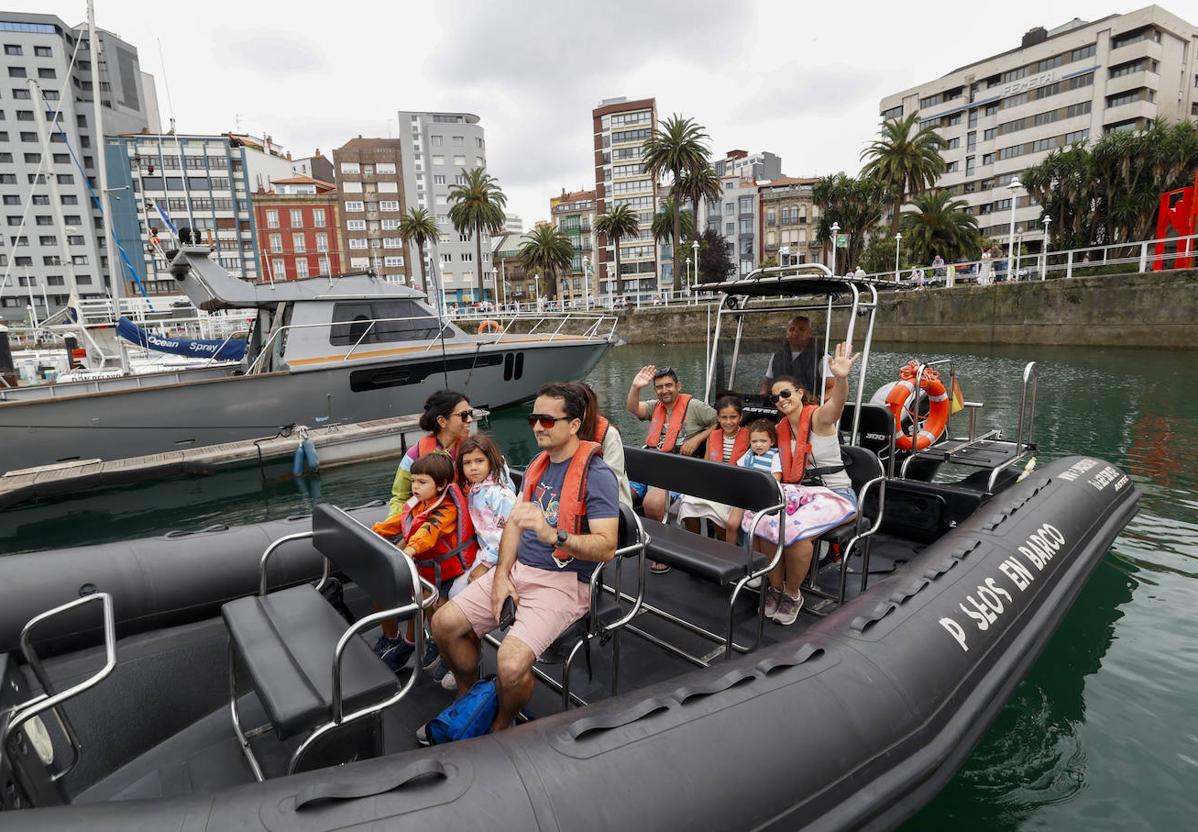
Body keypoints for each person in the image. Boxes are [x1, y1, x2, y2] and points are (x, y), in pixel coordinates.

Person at [431, 383, 620, 732]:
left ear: (574, 425)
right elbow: (514, 527)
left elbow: (607, 546)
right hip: (519, 569)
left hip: (563, 584)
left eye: (547, 420)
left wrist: (553, 535)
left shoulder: (598, 476)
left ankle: (502, 723)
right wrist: (502, 574)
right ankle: (471, 698)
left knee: (510, 664)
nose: (536, 427)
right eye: (534, 418)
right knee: (443, 624)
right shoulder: (537, 465)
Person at [741, 342, 860, 626]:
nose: (780, 400)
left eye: (785, 393)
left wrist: (841, 379)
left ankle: (793, 593)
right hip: (799, 494)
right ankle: (777, 587)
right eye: (775, 398)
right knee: (765, 525)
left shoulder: (819, 418)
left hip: (835, 494)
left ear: (799, 394)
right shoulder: (779, 430)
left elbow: (837, 404)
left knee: (795, 535)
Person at [371, 451, 476, 671]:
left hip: (449, 574)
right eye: (413, 481)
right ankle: (433, 644)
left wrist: (408, 551)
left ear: (441, 485)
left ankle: (450, 654)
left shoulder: (446, 509)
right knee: (426, 605)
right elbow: (399, 523)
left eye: (421, 482)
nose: (415, 487)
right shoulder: (419, 503)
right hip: (428, 572)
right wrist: (374, 532)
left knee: (440, 612)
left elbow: (428, 532)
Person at [625, 365, 718, 572]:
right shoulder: (654, 406)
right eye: (659, 387)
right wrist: (635, 386)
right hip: (650, 463)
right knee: (619, 494)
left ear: (678, 386)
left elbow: (719, 422)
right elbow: (633, 408)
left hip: (675, 468)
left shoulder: (695, 406)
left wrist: (697, 439)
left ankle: (662, 551)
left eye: (669, 385)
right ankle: (623, 541)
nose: (664, 390)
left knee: (653, 503)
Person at [675, 395, 749, 543]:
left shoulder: (748, 436)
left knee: (716, 515)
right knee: (688, 502)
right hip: (714, 482)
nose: (728, 422)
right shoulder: (713, 436)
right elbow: (707, 463)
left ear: (740, 417)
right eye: (724, 417)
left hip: (736, 486)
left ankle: (723, 548)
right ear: (718, 418)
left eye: (733, 417)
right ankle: (695, 543)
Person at [388, 390, 473, 516]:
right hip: (428, 520)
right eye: (464, 415)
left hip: (465, 518)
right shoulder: (414, 454)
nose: (470, 419)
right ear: (442, 421)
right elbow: (400, 497)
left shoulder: (475, 450)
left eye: (470, 414)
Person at [571, 381, 633, 508]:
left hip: (611, 504)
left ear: (588, 408)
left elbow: (612, 479)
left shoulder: (610, 435)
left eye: (578, 407)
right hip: (573, 499)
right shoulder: (565, 432)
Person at [761, 316, 819, 396]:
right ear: (787, 334)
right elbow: (767, 383)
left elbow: (832, 388)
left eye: (801, 329)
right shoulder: (776, 356)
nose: (795, 333)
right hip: (779, 403)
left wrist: (816, 402)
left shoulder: (821, 357)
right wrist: (763, 398)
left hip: (808, 406)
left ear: (810, 333)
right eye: (791, 330)